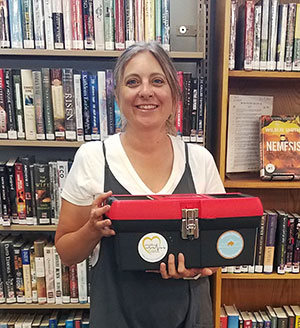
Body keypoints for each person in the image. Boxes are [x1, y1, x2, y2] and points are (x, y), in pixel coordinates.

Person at [55, 41, 225, 328]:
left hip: (191, 317)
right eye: (133, 82)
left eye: (157, 81)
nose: (145, 91)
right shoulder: (93, 157)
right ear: (118, 96)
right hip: (116, 318)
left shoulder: (200, 160)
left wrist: (196, 268)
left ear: (174, 93)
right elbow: (66, 252)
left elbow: (220, 249)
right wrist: (91, 230)